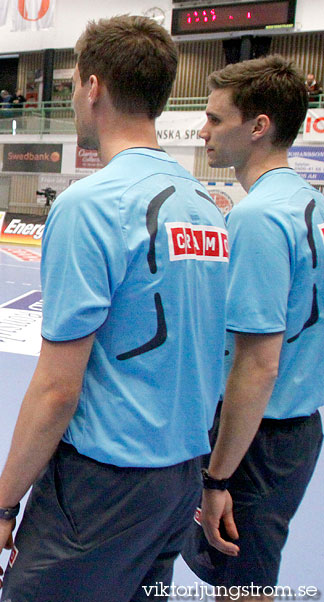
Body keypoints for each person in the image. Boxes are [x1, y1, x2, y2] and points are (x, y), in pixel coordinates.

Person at [0, 16, 229, 602]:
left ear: (93, 88)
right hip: (179, 479)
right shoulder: (207, 207)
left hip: (103, 487)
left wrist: (2, 506)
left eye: (71, 87)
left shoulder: (92, 206)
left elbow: (57, 389)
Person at [182, 56, 324, 600]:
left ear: (258, 126)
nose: (204, 131)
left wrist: (218, 477)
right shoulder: (309, 205)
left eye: (216, 119)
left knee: (242, 585)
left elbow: (257, 363)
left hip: (255, 440)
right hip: (296, 432)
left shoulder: (258, 217)